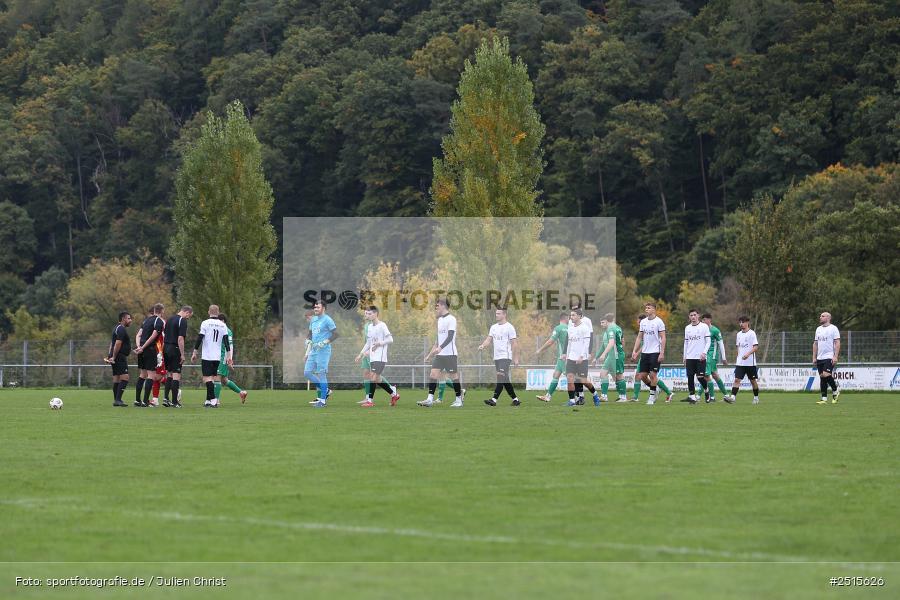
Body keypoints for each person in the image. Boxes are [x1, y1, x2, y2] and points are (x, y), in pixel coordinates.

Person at [418, 298, 464, 408]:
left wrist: (441, 347)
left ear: (443, 306)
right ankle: (429, 399)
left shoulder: (451, 319)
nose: (436, 307)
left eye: (437, 305)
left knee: (454, 377)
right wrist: (429, 355)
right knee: (433, 374)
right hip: (440, 355)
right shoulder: (439, 320)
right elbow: (437, 341)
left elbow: (450, 336)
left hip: (450, 354)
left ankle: (459, 400)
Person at [355, 306, 399, 407]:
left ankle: (370, 401)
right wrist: (360, 354)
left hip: (380, 357)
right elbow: (368, 343)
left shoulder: (382, 325)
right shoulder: (370, 327)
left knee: (372, 377)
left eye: (370, 314)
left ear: (375, 314)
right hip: (373, 357)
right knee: (377, 379)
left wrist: (379, 343)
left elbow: (390, 339)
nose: (368, 315)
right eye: (367, 314)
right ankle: (394, 394)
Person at [190, 305, 231, 408]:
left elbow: (200, 338)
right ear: (218, 312)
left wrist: (195, 351)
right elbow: (226, 342)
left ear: (209, 312)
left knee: (207, 378)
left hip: (207, 355)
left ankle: (213, 400)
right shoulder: (223, 325)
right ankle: (208, 400)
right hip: (217, 356)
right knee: (211, 378)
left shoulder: (205, 323)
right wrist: (229, 356)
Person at [479, 308, 520, 407]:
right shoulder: (493, 327)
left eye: (498, 313)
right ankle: (516, 400)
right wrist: (483, 345)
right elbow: (489, 340)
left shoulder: (509, 327)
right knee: (505, 380)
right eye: (496, 313)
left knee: (500, 377)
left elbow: (514, 344)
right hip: (497, 357)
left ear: (504, 314)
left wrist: (516, 358)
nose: (496, 315)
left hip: (506, 356)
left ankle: (494, 399)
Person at [631, 302, 667, 405]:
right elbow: (639, 337)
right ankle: (654, 389)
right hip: (645, 352)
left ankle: (652, 397)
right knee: (642, 376)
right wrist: (634, 351)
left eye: (649, 308)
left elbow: (663, 337)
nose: (646, 309)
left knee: (652, 375)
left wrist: (662, 352)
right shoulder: (643, 322)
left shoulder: (659, 322)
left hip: (655, 351)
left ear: (654, 309)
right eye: (646, 308)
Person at [564, 308, 601, 407]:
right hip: (571, 358)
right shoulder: (570, 327)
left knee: (583, 381)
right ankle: (572, 400)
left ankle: (595, 394)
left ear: (579, 316)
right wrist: (567, 356)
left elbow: (586, 344)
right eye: (571, 315)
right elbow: (569, 343)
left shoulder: (585, 328)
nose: (571, 317)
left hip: (582, 359)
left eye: (573, 315)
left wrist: (581, 356)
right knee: (570, 379)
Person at [306, 300, 338, 408]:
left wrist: (325, 342)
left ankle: (323, 401)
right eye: (315, 307)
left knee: (321, 374)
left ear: (323, 308)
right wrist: (308, 340)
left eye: (318, 307)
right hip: (313, 351)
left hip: (323, 351)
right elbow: (310, 333)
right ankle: (327, 390)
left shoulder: (328, 320)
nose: (315, 309)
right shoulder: (313, 320)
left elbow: (336, 334)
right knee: (307, 373)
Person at [134, 304, 165, 407]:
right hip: (149, 350)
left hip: (142, 350)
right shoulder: (158, 321)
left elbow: (138, 335)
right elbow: (153, 336)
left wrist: (139, 346)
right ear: (162, 311)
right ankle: (145, 401)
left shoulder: (146, 320)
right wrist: (143, 348)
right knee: (151, 375)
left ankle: (137, 400)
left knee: (142, 374)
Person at [214, 313, 249, 405]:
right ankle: (241, 393)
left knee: (217, 377)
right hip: (221, 357)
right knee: (224, 380)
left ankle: (216, 400)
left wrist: (229, 360)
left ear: (222, 321)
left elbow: (230, 346)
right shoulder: (222, 329)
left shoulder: (226, 330)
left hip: (223, 358)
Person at [535, 312, 569, 402]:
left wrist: (540, 349)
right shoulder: (570, 328)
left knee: (571, 377)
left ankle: (579, 396)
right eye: (569, 318)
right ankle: (548, 396)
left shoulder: (558, 328)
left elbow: (550, 341)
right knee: (556, 375)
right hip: (563, 357)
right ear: (565, 319)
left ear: (560, 319)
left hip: (564, 357)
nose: (569, 319)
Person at [593, 313, 627, 402]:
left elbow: (611, 343)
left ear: (607, 321)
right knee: (603, 374)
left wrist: (604, 354)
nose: (601, 324)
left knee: (619, 376)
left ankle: (623, 397)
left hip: (616, 356)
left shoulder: (611, 328)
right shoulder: (616, 328)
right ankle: (604, 396)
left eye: (603, 322)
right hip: (611, 356)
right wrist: (596, 357)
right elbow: (622, 341)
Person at [162, 306, 192, 408]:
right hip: (175, 348)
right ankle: (175, 402)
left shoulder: (169, 319)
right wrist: (182, 354)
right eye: (189, 316)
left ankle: (166, 398)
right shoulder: (182, 321)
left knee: (169, 374)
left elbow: (165, 335)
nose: (188, 318)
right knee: (176, 375)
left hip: (166, 348)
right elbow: (180, 339)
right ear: (187, 312)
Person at [727, 316, 760, 405]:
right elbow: (738, 346)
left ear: (747, 322)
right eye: (740, 322)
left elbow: (756, 347)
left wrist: (748, 354)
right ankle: (733, 397)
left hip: (750, 363)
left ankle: (756, 397)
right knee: (737, 379)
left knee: (753, 381)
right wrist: (738, 356)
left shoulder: (752, 333)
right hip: (740, 363)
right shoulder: (738, 334)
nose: (741, 324)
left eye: (743, 322)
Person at [682, 309, 711, 404]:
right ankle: (693, 397)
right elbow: (686, 343)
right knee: (690, 377)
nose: (693, 317)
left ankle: (706, 390)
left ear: (698, 316)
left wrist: (704, 353)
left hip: (700, 357)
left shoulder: (704, 327)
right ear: (689, 317)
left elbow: (708, 342)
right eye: (691, 315)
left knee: (700, 377)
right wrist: (685, 356)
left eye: (694, 315)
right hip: (690, 357)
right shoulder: (687, 328)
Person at [104, 312, 132, 407]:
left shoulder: (116, 328)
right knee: (125, 378)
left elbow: (112, 343)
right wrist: (114, 357)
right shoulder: (121, 329)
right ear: (123, 319)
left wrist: (110, 355)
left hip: (115, 356)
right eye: (128, 318)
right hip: (119, 357)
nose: (130, 320)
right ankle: (118, 399)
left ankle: (116, 400)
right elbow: (117, 344)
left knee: (116, 378)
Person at [701, 313, 730, 402]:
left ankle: (711, 397)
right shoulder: (702, 330)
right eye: (703, 320)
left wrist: (724, 358)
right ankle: (726, 395)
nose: (703, 321)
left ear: (710, 320)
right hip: (705, 355)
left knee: (706, 375)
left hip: (712, 355)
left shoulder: (715, 330)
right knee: (714, 375)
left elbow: (721, 344)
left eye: (705, 319)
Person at [814, 311, 841, 405]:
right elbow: (815, 343)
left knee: (826, 374)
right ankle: (824, 399)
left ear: (828, 318)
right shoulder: (818, 329)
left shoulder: (833, 328)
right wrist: (814, 357)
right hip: (819, 357)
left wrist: (835, 356)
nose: (820, 317)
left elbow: (837, 343)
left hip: (829, 356)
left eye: (822, 316)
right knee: (822, 377)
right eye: (820, 316)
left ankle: (835, 390)